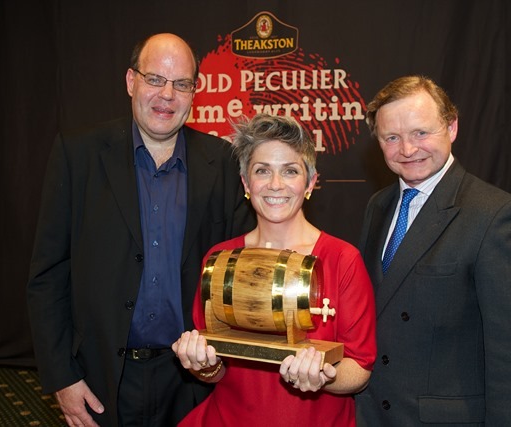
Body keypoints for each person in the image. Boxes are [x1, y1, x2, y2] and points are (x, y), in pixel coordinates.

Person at [26, 33, 255, 426]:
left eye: (181, 84)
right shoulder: (77, 156)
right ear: (131, 81)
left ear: (194, 92)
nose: (167, 95)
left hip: (194, 380)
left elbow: (242, 270)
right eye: (155, 79)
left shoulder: (224, 163)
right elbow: (48, 277)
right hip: (102, 378)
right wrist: (62, 377)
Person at [355, 75, 511, 426]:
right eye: (392, 137)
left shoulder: (497, 216)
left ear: (452, 127)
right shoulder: (378, 206)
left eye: (420, 133)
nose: (407, 149)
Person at [171, 113, 377, 427]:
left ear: (309, 182)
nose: (275, 184)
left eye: (290, 171)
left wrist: (324, 376)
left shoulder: (342, 259)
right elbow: (216, 368)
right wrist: (202, 364)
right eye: (262, 170)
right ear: (245, 182)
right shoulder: (219, 258)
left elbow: (360, 370)